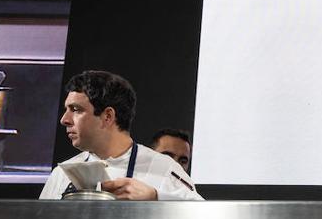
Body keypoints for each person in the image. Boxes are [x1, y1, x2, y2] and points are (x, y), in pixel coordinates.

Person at [39, 71, 202, 200]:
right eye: (66, 110)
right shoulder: (61, 174)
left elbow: (203, 217)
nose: (64, 120)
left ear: (108, 116)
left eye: (76, 110)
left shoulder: (163, 168)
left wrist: (156, 198)